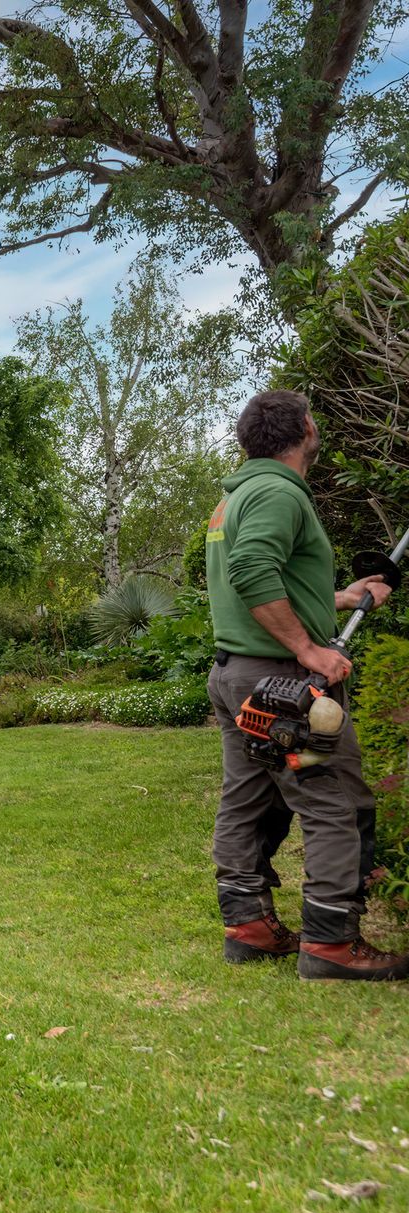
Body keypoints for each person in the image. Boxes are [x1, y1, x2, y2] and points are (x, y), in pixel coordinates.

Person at [205, 390, 403, 980]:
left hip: (237, 674)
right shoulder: (279, 491)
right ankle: (331, 943)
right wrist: (308, 647)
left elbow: (257, 573)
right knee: (332, 800)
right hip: (283, 684)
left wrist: (336, 599)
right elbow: (251, 569)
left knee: (249, 796)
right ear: (305, 430)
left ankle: (248, 926)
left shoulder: (236, 494)